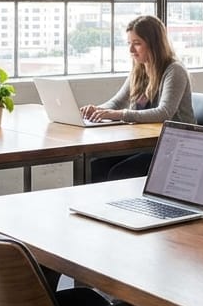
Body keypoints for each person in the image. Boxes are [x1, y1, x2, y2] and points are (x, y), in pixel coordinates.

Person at [82, 15, 195, 182]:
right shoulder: (140, 68)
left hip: (174, 145)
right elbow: (117, 102)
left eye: (137, 43)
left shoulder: (174, 70)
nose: (131, 50)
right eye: (129, 43)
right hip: (145, 142)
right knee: (96, 165)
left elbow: (164, 112)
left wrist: (119, 115)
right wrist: (97, 111)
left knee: (120, 173)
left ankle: (124, 207)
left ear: (154, 44)